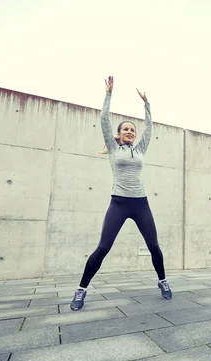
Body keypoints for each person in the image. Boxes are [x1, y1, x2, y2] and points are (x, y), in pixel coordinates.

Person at [71, 76, 171, 311]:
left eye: (132, 130)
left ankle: (163, 281)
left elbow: (150, 128)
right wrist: (108, 94)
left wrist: (147, 104)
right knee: (103, 247)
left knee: (154, 246)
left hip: (141, 204)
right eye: (125, 129)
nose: (129, 132)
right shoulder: (114, 149)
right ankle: (81, 290)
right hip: (119, 203)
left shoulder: (141, 149)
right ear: (119, 133)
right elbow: (104, 119)